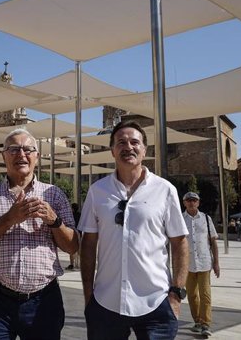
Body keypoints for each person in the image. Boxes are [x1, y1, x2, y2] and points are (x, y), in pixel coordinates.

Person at [0, 128, 78, 340]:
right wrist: (9, 218)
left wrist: (54, 221)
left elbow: (72, 246)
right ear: (3, 156)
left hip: (43, 301)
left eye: (27, 149)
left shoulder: (54, 194)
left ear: (37, 156)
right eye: (13, 149)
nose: (21, 154)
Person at [79, 119, 189, 339]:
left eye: (134, 142)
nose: (128, 147)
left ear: (144, 150)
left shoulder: (164, 190)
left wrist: (176, 294)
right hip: (105, 301)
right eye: (121, 142)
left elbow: (180, 242)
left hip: (156, 302)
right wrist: (88, 294)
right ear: (112, 151)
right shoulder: (97, 191)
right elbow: (88, 244)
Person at [182, 191, 220, 337]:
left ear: (198, 202)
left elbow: (213, 241)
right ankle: (197, 321)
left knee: (205, 294)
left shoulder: (206, 218)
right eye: (189, 200)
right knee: (191, 295)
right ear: (184, 202)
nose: (192, 202)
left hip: (204, 262)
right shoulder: (180, 218)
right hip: (187, 264)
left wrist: (216, 262)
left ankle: (205, 323)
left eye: (194, 200)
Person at [67, 202, 81, 271]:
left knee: (72, 249)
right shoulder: (80, 215)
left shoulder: (70, 215)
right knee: (79, 249)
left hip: (72, 233)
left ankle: (72, 264)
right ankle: (79, 264)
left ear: (72, 209)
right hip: (79, 233)